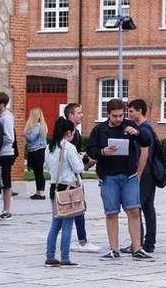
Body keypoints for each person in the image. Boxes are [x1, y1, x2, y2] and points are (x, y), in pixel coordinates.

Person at [87, 98, 153, 261]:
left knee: (134, 211)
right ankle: (114, 249)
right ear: (108, 114)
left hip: (129, 175)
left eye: (120, 115)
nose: (118, 119)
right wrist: (103, 151)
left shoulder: (129, 126)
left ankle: (137, 248)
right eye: (114, 116)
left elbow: (146, 140)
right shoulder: (99, 130)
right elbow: (91, 150)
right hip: (108, 176)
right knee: (111, 213)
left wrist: (137, 133)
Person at [44, 117, 84, 267]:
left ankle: (50, 256)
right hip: (68, 188)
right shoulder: (69, 147)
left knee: (55, 224)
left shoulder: (50, 147)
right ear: (68, 132)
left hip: (54, 187)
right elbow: (78, 168)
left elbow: (46, 166)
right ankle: (65, 258)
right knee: (67, 224)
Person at [64, 103, 101, 253]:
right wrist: (85, 162)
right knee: (77, 208)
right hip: (71, 178)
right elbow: (71, 158)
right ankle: (81, 240)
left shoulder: (75, 132)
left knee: (77, 209)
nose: (82, 115)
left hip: (74, 176)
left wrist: (85, 161)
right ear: (70, 115)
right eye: (78, 113)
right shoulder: (70, 133)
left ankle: (80, 239)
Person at [126, 99, 158, 254]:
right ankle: (149, 242)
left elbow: (145, 154)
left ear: (139, 111)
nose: (129, 113)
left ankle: (138, 243)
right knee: (148, 207)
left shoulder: (144, 129)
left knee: (136, 208)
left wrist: (137, 175)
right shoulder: (146, 127)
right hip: (149, 173)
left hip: (144, 173)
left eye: (131, 111)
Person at [0, 92, 16, 218]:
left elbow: (9, 138)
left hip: (5, 153)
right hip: (0, 153)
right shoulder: (0, 116)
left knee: (5, 182)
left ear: (2, 103)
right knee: (0, 181)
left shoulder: (6, 117)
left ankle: (7, 210)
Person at [25, 107, 49, 201]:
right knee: (39, 172)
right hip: (40, 150)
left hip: (36, 151)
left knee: (38, 172)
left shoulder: (37, 126)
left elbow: (31, 138)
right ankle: (39, 191)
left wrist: (26, 133)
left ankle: (41, 193)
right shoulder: (42, 125)